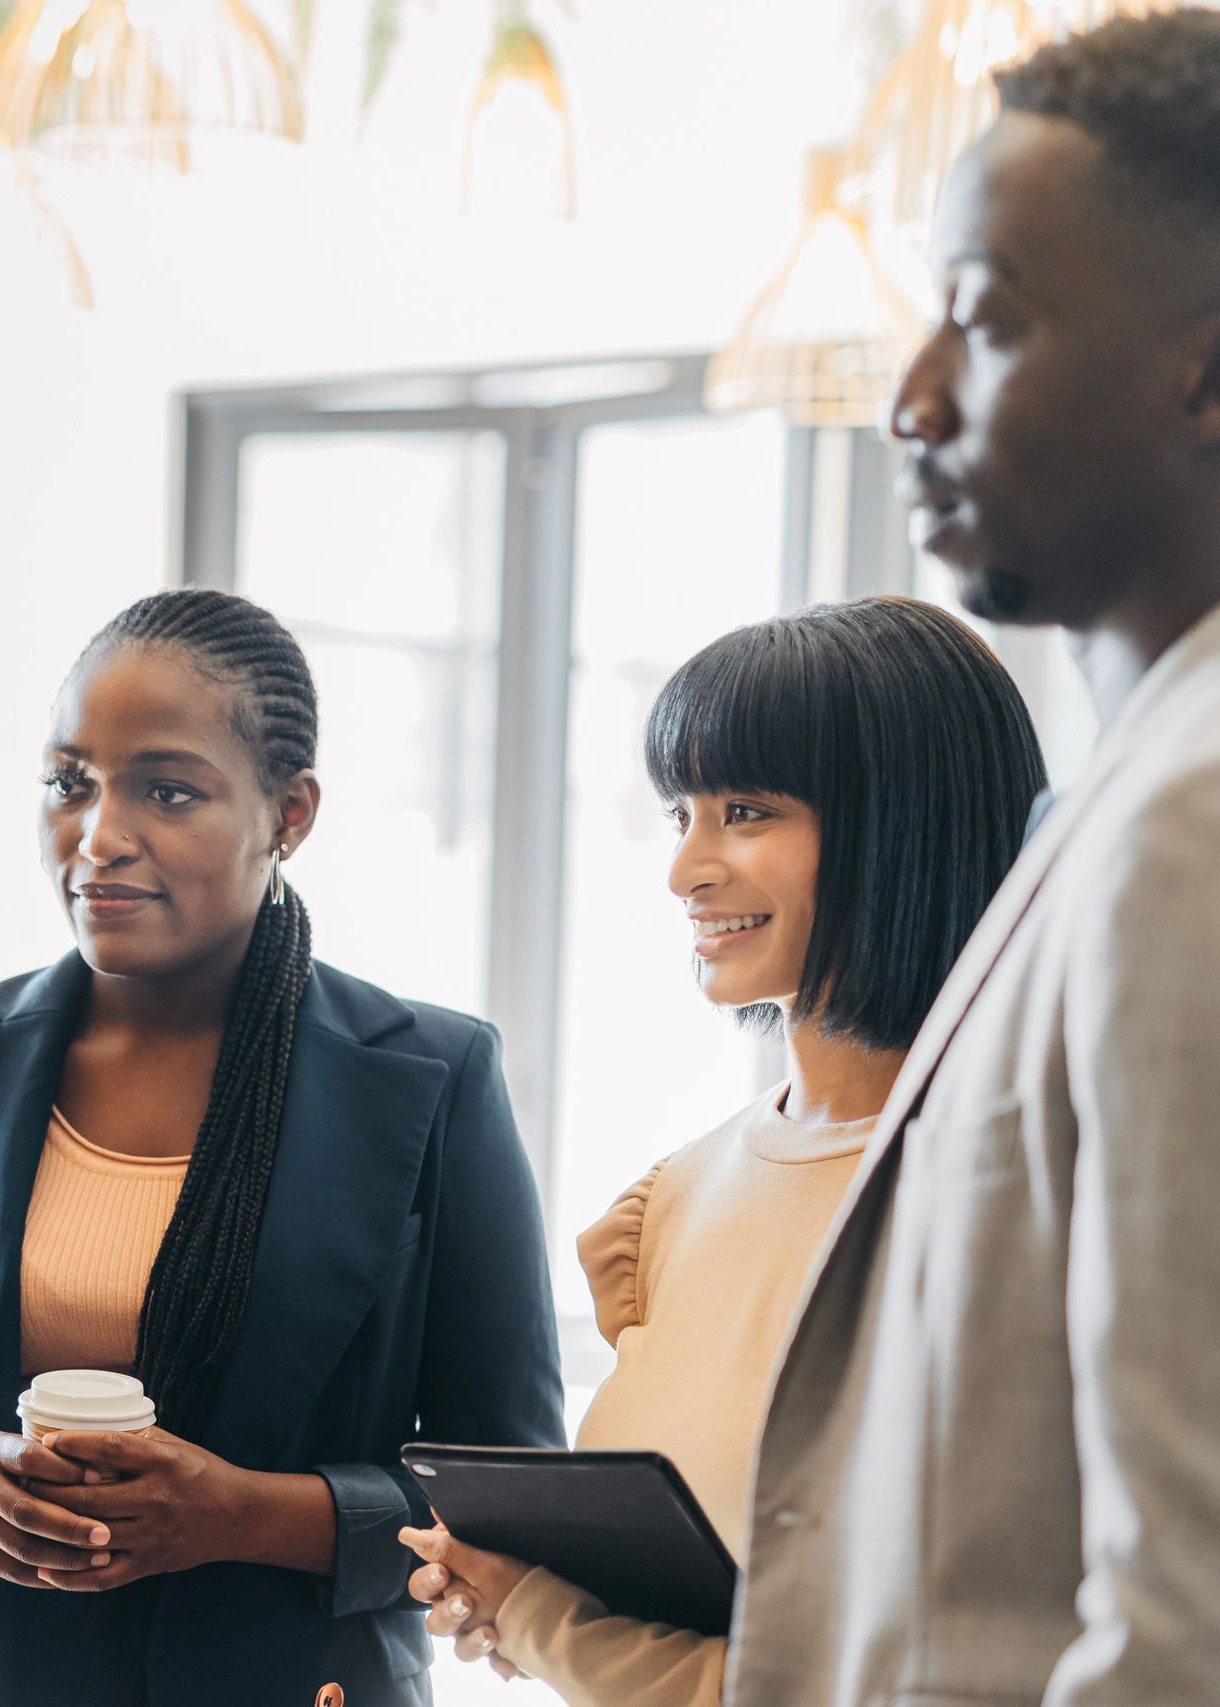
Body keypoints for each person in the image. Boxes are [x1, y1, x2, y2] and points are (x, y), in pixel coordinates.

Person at [0, 588, 564, 1707]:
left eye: (167, 790)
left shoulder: (431, 1080)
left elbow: (507, 1497)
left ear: (289, 814)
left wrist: (239, 1515)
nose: (98, 837)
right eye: (68, 783)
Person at [732, 15, 1220, 1702]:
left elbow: (1188, 1622)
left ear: (1207, 373)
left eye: (989, 319)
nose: (911, 397)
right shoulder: (1130, 784)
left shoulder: (1195, 820)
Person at [397, 597, 1048, 1704]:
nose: (685, 871)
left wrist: (546, 1617)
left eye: (744, 811)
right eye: (678, 815)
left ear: (903, 825)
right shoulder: (679, 1197)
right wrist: (518, 1599)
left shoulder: (1020, 1197)